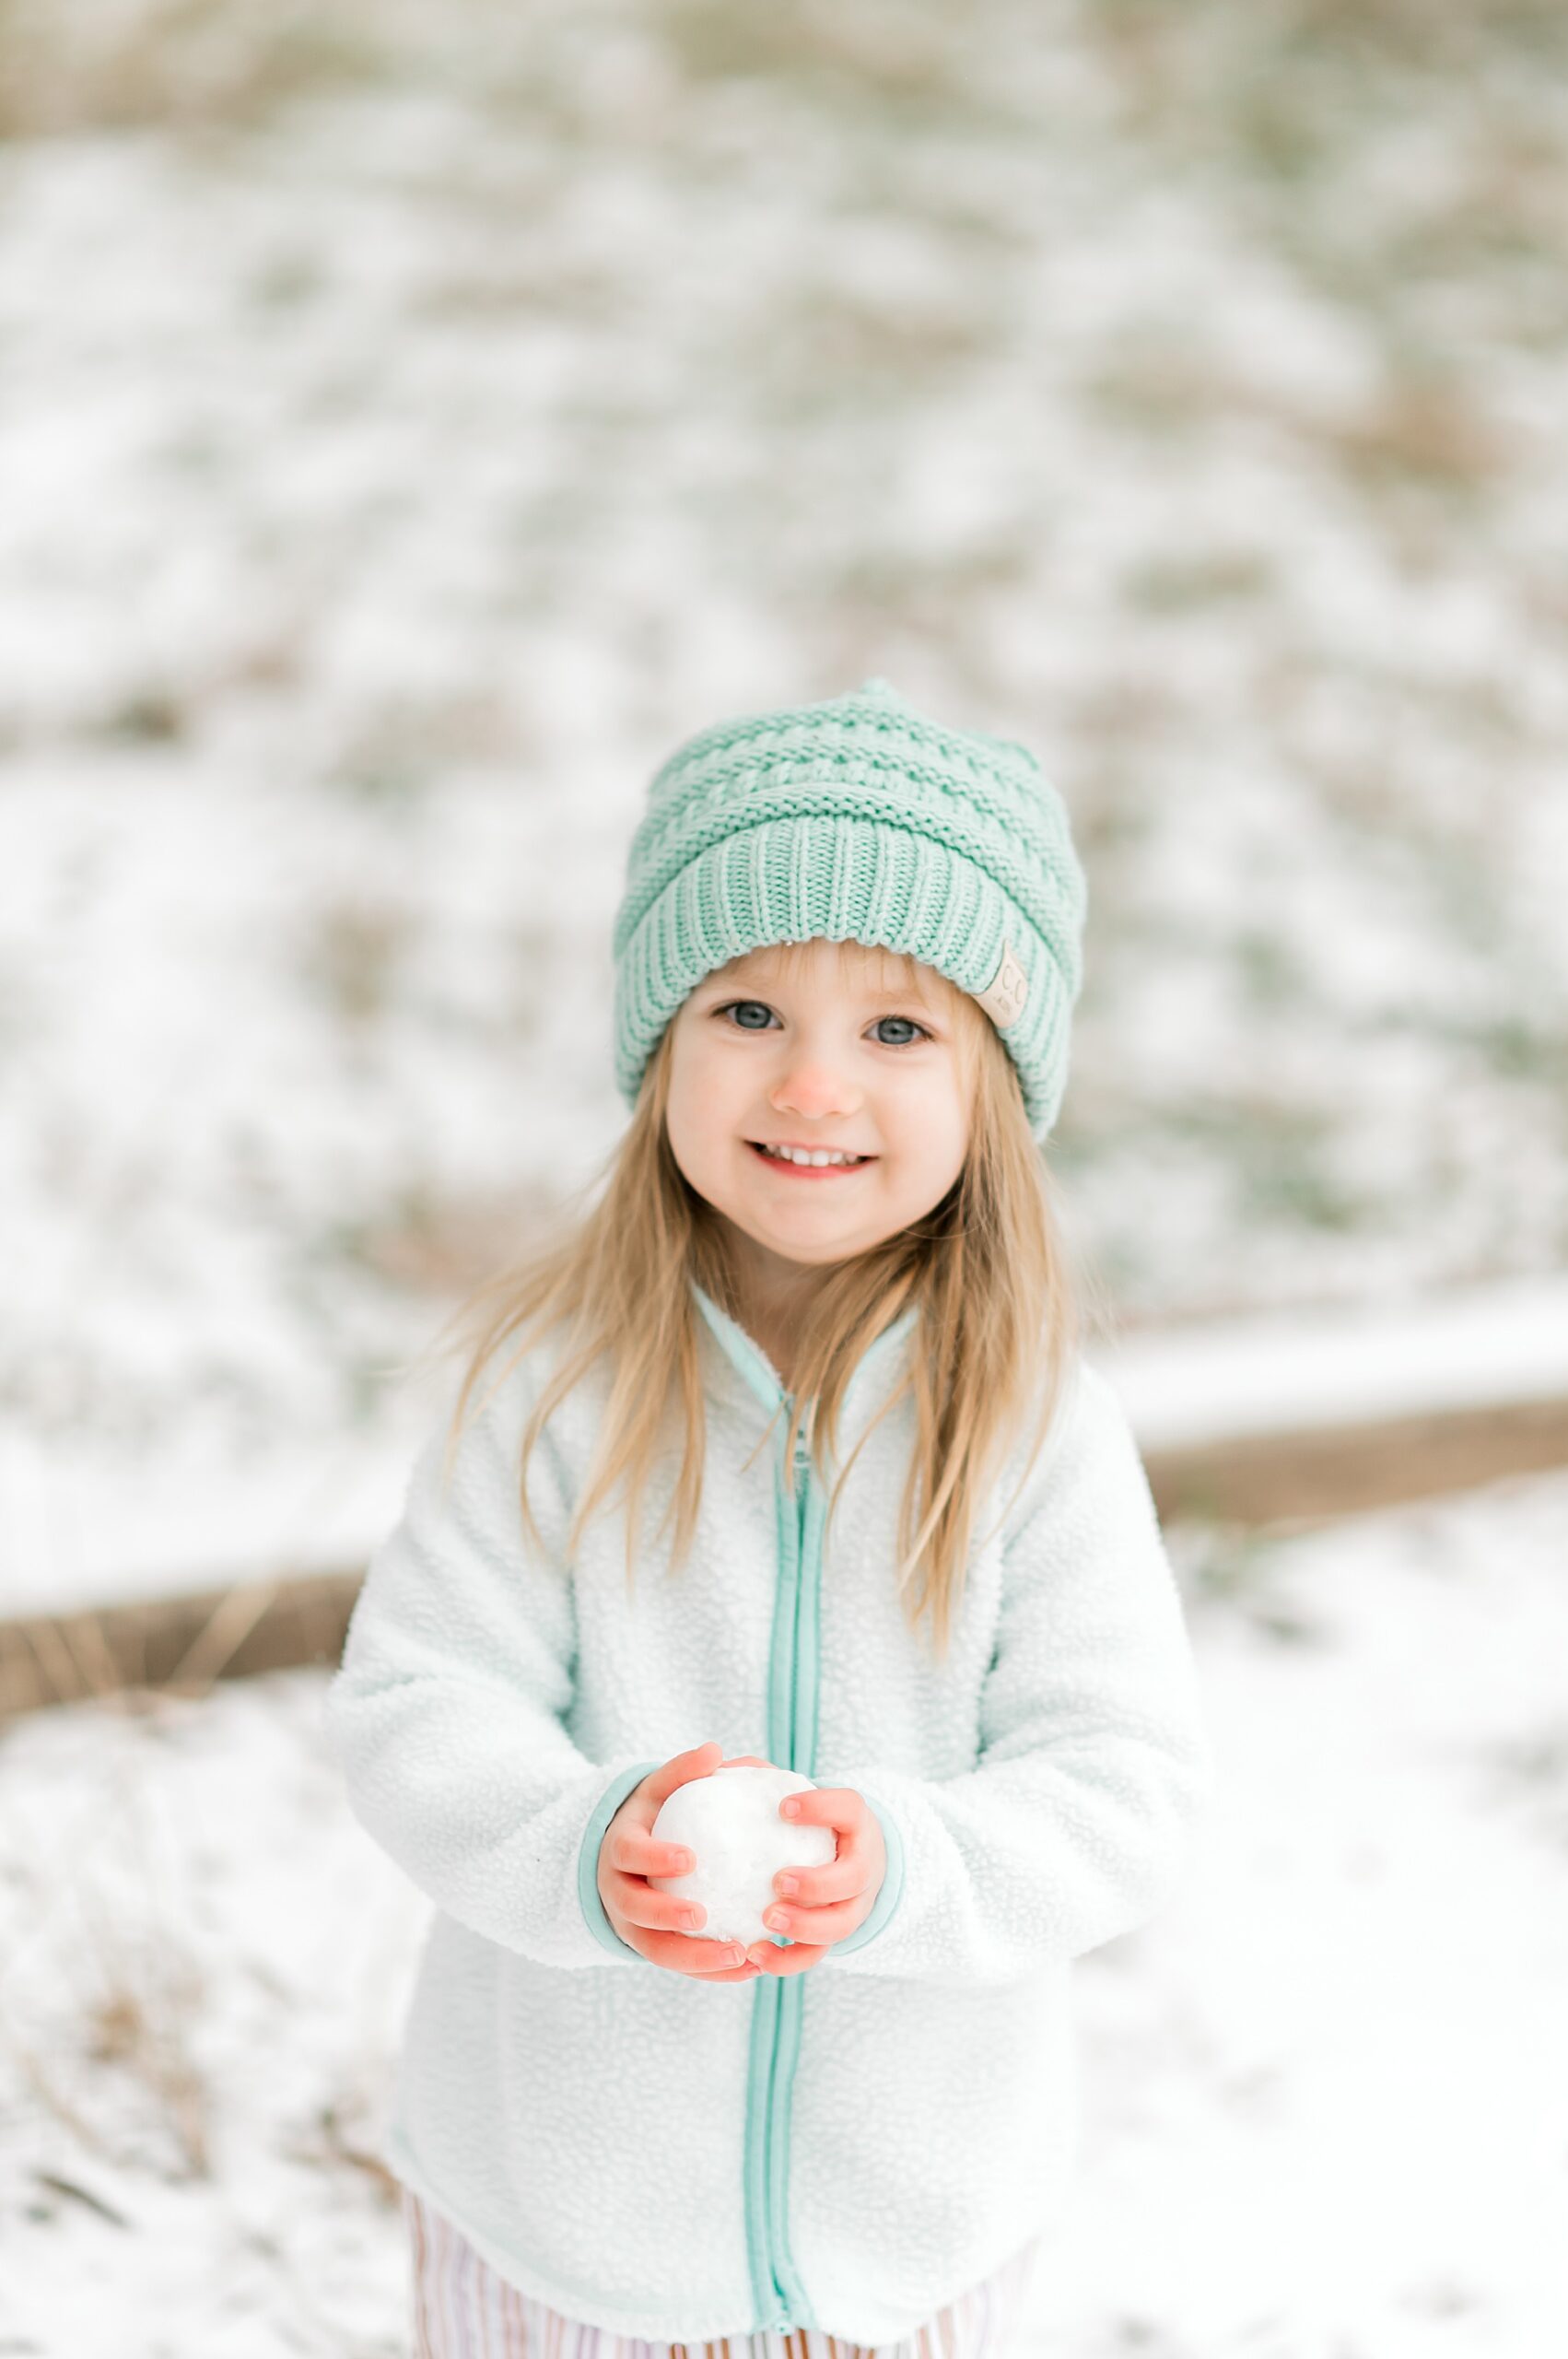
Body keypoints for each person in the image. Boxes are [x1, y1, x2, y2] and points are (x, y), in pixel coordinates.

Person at [323, 677, 1215, 2359]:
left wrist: (904, 1867)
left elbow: (1123, 1787)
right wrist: (590, 1853)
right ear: (657, 1035)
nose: (812, 1087)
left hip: (910, 2240)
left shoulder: (1032, 1425)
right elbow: (414, 1712)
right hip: (557, 2225)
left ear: (997, 1087)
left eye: (896, 1031)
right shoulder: (545, 1388)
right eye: (746, 1012)